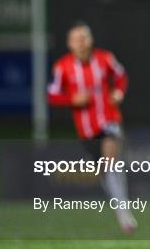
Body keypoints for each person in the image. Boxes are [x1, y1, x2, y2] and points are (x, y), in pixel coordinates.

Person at [47, 22, 137, 233]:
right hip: (86, 130)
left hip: (109, 119)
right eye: (76, 39)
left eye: (84, 37)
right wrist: (72, 99)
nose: (81, 42)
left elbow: (121, 76)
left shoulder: (105, 59)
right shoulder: (62, 67)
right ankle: (120, 210)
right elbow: (52, 94)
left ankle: (124, 214)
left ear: (91, 40)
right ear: (70, 44)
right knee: (104, 171)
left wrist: (118, 93)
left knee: (111, 159)